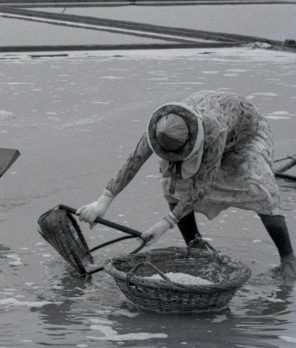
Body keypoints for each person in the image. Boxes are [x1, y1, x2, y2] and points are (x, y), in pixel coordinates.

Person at [78, 90, 296, 280]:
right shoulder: (161, 128)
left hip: (245, 135)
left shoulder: (215, 129)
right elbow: (134, 160)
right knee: (170, 184)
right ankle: (195, 244)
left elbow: (202, 186)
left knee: (258, 187)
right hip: (206, 135)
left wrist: (165, 224)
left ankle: (288, 256)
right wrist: (103, 201)